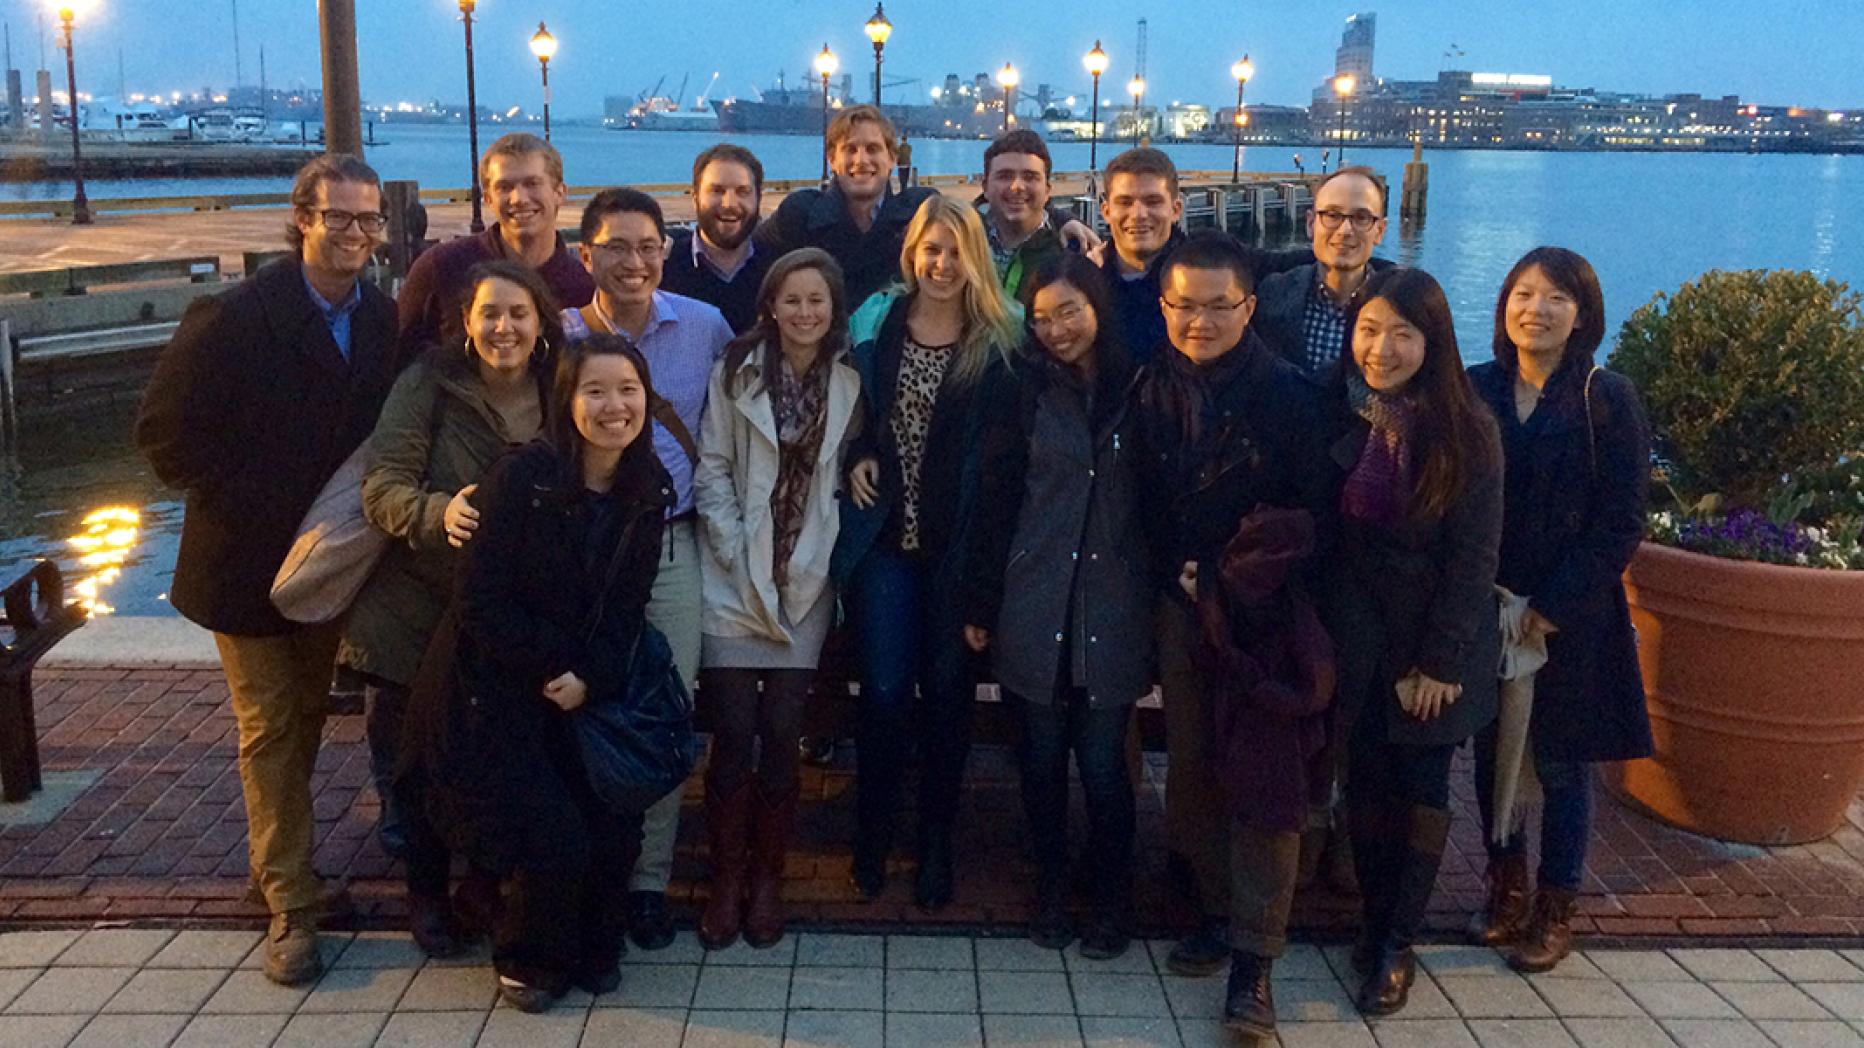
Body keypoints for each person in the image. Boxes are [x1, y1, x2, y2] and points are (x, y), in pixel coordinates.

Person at [136, 154, 399, 985]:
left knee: (309, 722)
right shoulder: (233, 317)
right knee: (272, 732)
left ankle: (274, 867)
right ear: (303, 220)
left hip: (329, 566)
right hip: (247, 565)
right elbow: (165, 439)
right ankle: (290, 907)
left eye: (368, 220)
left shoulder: (383, 320)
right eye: (340, 217)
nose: (355, 233)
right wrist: (251, 498)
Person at [400, 334, 672, 1012]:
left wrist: (592, 676)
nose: (615, 406)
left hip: (576, 693)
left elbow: (628, 610)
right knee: (555, 833)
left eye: (628, 390)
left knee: (614, 818)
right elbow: (478, 601)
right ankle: (530, 958)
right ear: (567, 401)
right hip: (485, 693)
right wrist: (554, 664)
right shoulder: (524, 479)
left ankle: (593, 943)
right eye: (596, 391)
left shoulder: (647, 489)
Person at [1128, 231, 1332, 1028]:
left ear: (1249, 305)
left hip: (1265, 620)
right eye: (1182, 304)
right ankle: (1213, 909)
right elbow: (1142, 501)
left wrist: (1228, 574)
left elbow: (1314, 520)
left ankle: (1256, 958)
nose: (1199, 321)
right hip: (1183, 612)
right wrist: (1171, 576)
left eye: (1218, 306)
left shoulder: (1292, 395)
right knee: (1192, 766)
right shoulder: (1152, 387)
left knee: (1265, 782)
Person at [340, 261, 561, 957]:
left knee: (506, 757)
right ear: (466, 321)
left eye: (518, 314)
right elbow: (383, 486)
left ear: (541, 323)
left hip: (510, 616)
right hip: (419, 608)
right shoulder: (428, 383)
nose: (504, 327)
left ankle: (486, 884)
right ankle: (428, 892)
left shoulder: (562, 388)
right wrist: (440, 514)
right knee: (417, 762)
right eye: (490, 313)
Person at [831, 195, 1023, 912]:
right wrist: (855, 454)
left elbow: (1004, 476)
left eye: (955, 251)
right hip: (886, 545)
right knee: (881, 694)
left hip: (956, 550)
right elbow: (856, 414)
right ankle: (873, 830)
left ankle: (938, 839)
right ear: (912, 253)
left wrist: (983, 590)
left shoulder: (1000, 343)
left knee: (947, 699)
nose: (941, 265)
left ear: (976, 257)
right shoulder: (881, 328)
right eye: (929, 250)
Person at [1466, 247, 1653, 974]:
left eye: (1554, 298)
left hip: (1568, 616)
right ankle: (1504, 887)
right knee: (1493, 756)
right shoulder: (1477, 389)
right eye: (1523, 293)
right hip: (1488, 607)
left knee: (1563, 763)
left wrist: (1552, 606)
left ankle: (1555, 906)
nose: (1534, 310)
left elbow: (1621, 520)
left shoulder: (1606, 399)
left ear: (1582, 315)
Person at [961, 254, 1147, 957]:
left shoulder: (1141, 389)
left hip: (1114, 603)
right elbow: (997, 498)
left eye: (1068, 311)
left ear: (1098, 306)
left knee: (1102, 762)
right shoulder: (1021, 390)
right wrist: (982, 597)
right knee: (1038, 758)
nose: (1056, 330)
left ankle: (1111, 894)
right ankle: (1047, 883)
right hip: (1033, 596)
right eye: (1040, 319)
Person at [563, 187, 734, 948]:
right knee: (575, 701)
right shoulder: (560, 333)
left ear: (666, 253)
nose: (633, 261)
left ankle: (647, 878)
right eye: (616, 247)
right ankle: (580, 861)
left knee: (665, 703)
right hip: (581, 548)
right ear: (586, 255)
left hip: (671, 540)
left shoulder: (704, 326)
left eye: (648, 247)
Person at [1330, 268, 1502, 1017]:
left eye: (1402, 333)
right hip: (1359, 644)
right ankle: (1372, 922)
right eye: (1369, 330)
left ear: (1432, 342)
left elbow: (1473, 559)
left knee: (1422, 795)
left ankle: (1400, 940)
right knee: (1365, 790)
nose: (1382, 347)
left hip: (1435, 652)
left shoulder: (1466, 428)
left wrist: (1435, 662)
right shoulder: (1342, 414)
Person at [693, 248, 863, 949]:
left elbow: (853, 464)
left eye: (816, 300)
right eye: (791, 300)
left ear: (833, 307)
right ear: (770, 305)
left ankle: (768, 876)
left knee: (784, 732)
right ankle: (726, 877)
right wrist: (738, 554)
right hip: (733, 574)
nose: (804, 313)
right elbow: (713, 468)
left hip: (806, 577)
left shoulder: (851, 381)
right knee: (733, 730)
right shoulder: (735, 373)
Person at [1096, 147, 1309, 367]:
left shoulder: (1212, 257)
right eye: (1125, 202)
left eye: (1153, 202)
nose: (1139, 214)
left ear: (1176, 209)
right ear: (1106, 211)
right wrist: (1064, 220)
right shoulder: (1087, 278)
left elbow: (1283, 264)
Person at [397, 133, 594, 356]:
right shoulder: (442, 266)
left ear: (560, 193)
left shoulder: (584, 285)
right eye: (504, 187)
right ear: (488, 198)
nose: (519, 198)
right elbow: (398, 358)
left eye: (532, 183)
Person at [755, 106, 941, 307]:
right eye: (850, 149)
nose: (861, 161)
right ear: (832, 160)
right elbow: (749, 264)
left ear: (892, 159)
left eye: (872, 149)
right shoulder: (799, 216)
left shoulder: (920, 214)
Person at [1253, 165, 1394, 383]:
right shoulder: (1270, 296)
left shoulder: (1401, 308)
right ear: (1311, 224)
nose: (1346, 230)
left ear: (1380, 231)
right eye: (1332, 215)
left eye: (1361, 218)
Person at [662, 143, 775, 334]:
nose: (729, 203)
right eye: (717, 191)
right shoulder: (663, 267)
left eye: (743, 192)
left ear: (758, 199)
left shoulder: (777, 270)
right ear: (695, 197)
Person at [977, 129, 1067, 301]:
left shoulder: (1068, 254)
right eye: (1005, 176)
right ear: (985, 188)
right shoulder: (962, 243)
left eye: (1030, 177)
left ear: (1047, 191)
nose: (1017, 186)